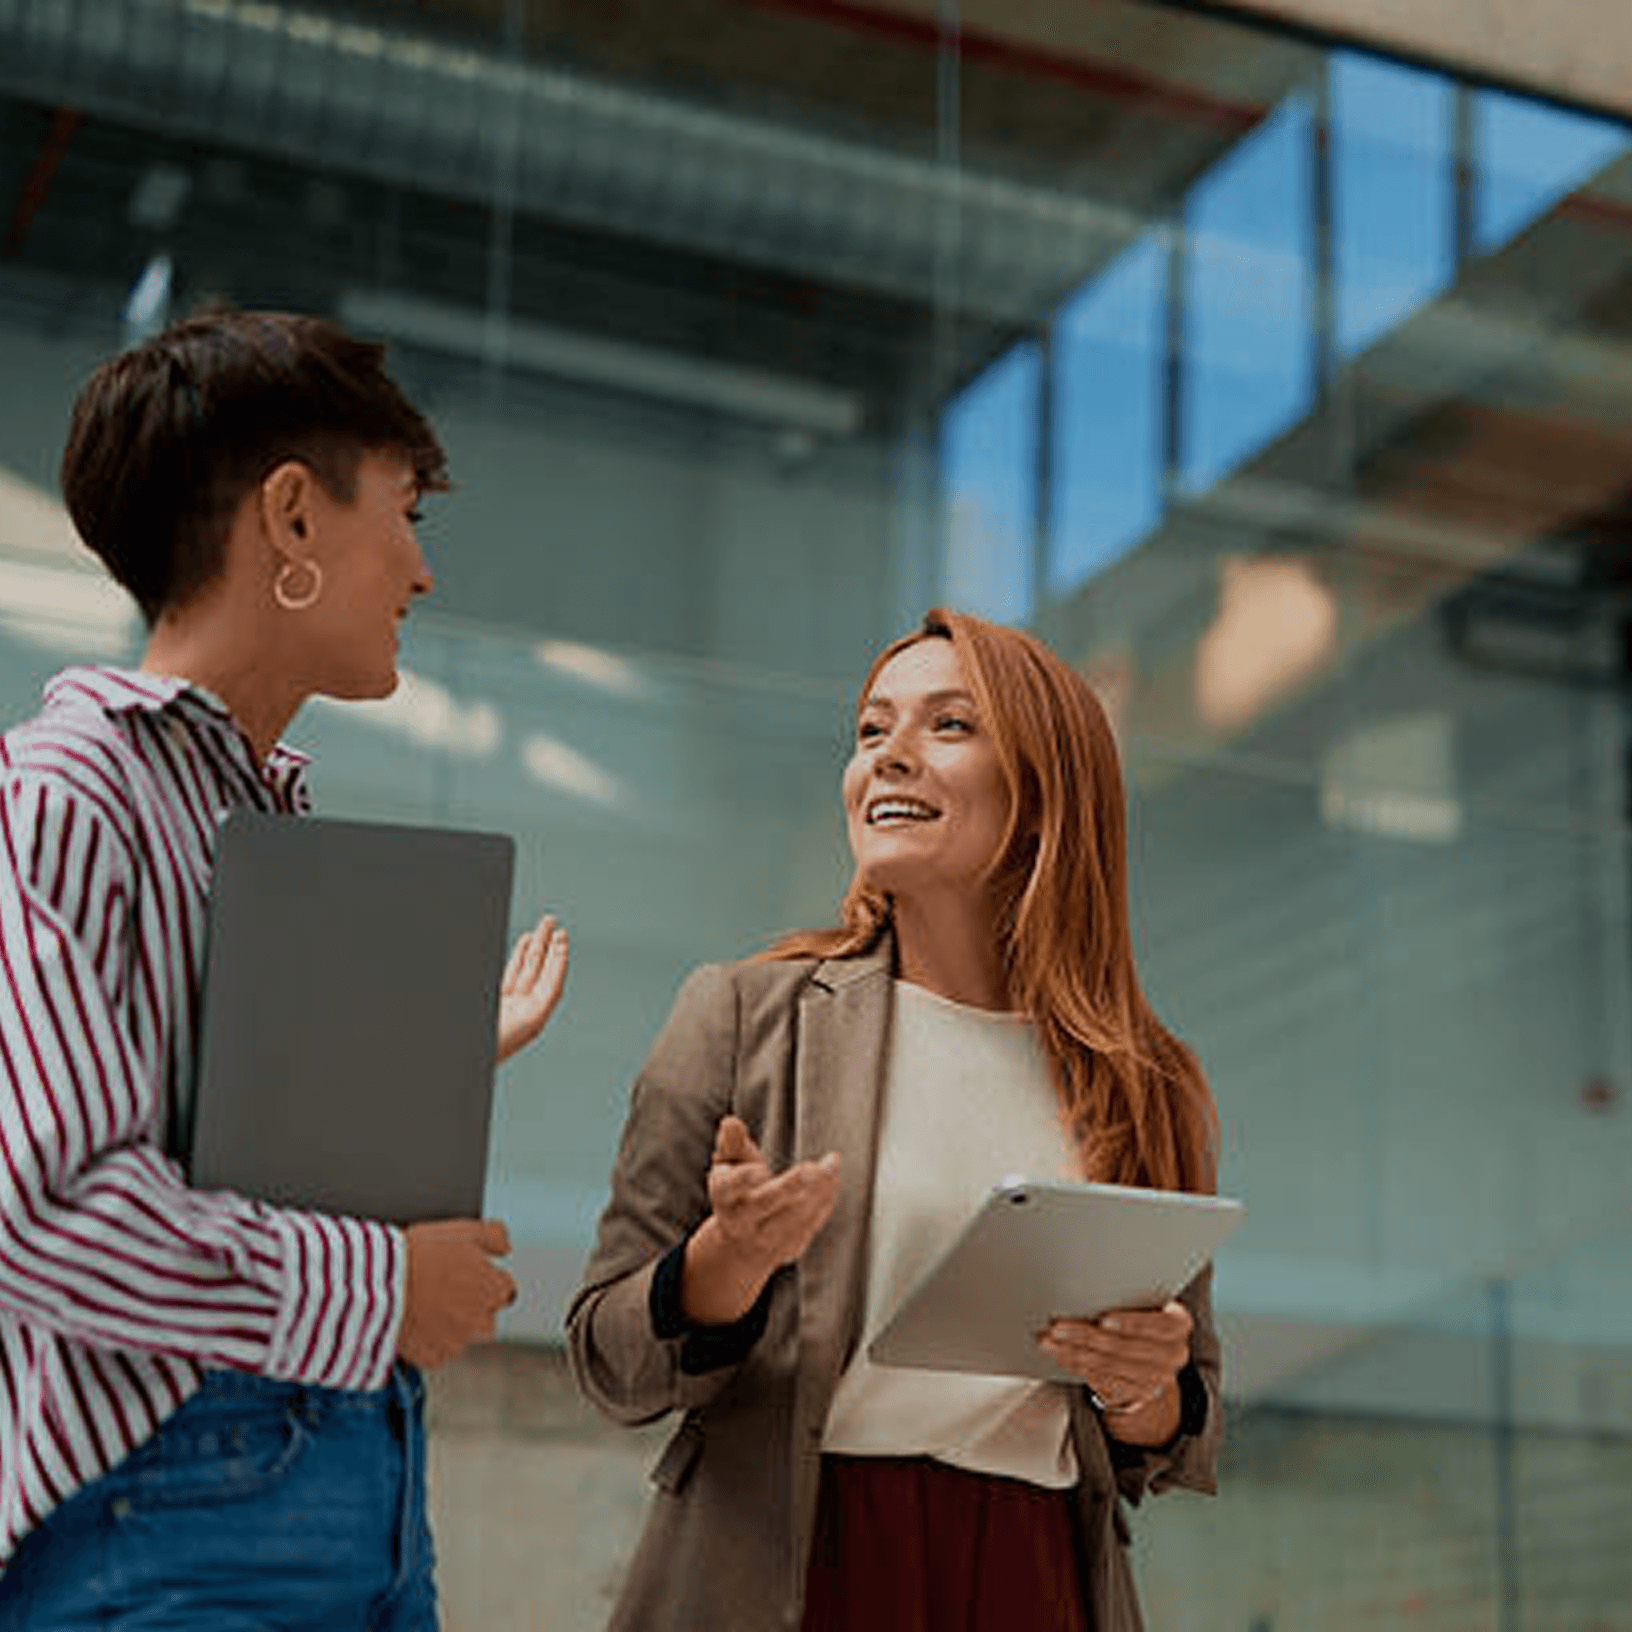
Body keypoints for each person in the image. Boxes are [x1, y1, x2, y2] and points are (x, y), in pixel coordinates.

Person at [0, 309, 569, 1630]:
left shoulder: (265, 821)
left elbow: (219, 1138)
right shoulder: (58, 795)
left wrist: (433, 1060)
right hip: (172, 1498)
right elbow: (44, 1212)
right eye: (406, 515)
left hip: (356, 1473)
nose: (423, 574)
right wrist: (386, 1287)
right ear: (295, 520)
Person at [568, 608, 1222, 1632]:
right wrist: (725, 1264)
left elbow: (1178, 1426)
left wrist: (1144, 1387)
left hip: (1036, 1570)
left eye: (949, 726)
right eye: (872, 730)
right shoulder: (740, 1017)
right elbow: (610, 1360)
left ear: (1044, 797)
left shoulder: (1148, 1082)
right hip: (793, 1562)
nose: (890, 759)